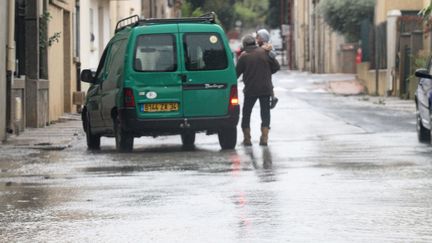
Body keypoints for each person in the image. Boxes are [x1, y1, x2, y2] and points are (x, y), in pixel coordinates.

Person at [236, 35, 280, 146]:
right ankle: (264, 138)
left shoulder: (244, 56)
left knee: (246, 113)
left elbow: (236, 74)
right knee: (265, 113)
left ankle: (247, 139)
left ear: (245, 45)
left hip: (250, 89)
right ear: (255, 43)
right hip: (265, 89)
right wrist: (266, 72)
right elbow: (276, 67)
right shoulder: (265, 52)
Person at [256, 29, 280, 109]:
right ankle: (273, 98)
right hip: (262, 70)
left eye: (258, 37)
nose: (257, 38)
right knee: (268, 84)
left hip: (266, 69)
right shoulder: (259, 46)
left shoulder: (267, 46)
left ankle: (273, 98)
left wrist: (267, 51)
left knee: (268, 84)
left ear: (263, 38)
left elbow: (273, 55)